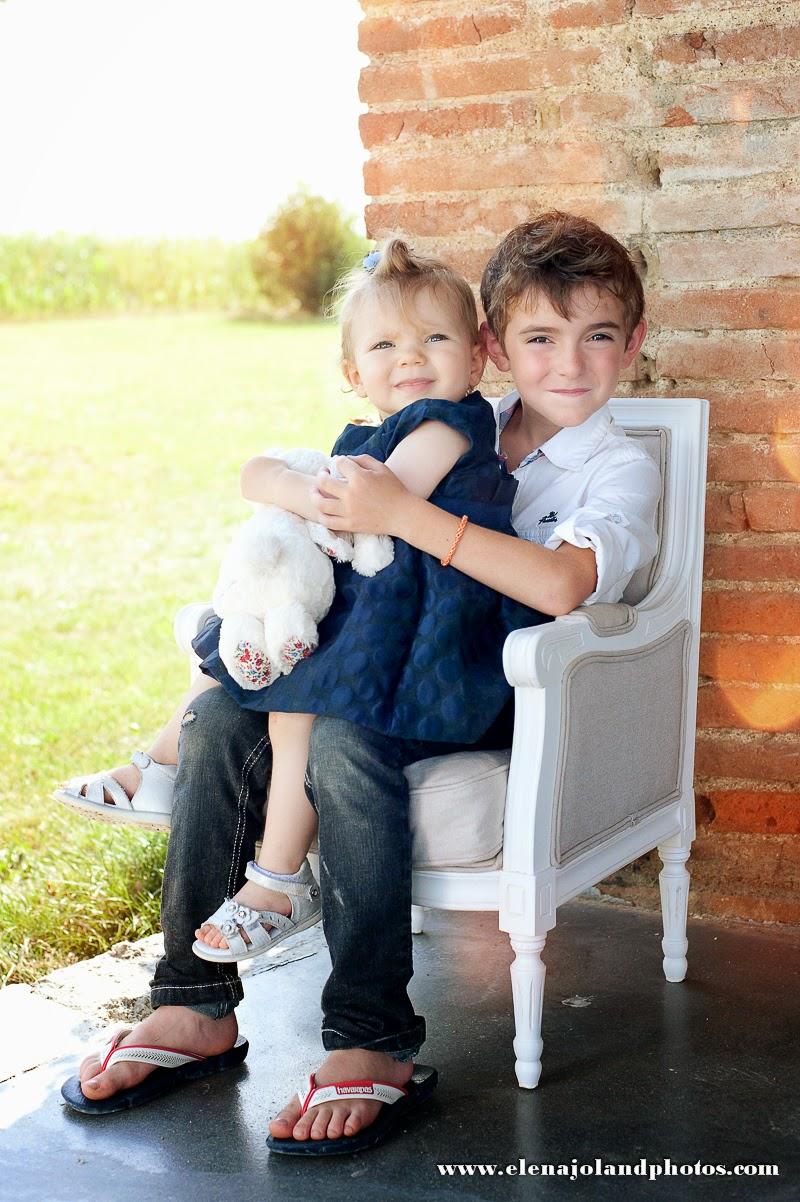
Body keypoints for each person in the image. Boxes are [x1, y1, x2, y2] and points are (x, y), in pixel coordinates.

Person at [62, 212, 661, 1155]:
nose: (570, 364)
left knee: (342, 737)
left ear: (632, 342)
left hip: (482, 685)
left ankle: (370, 1040)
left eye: (597, 338)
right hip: (387, 660)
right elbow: (326, 497)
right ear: (496, 348)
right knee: (224, 717)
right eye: (542, 338)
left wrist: (398, 514)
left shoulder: (618, 469)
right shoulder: (459, 410)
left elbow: (560, 583)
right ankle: (192, 1003)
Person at [56, 238, 545, 972]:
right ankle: (156, 761)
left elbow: (371, 503)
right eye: (385, 344)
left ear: (476, 359)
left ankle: (278, 879)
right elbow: (284, 484)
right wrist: (278, 485)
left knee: (300, 692)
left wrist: (288, 490)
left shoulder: (448, 425)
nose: (411, 357)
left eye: (434, 338)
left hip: (426, 631)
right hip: (378, 605)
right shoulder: (371, 433)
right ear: (355, 373)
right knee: (233, 626)